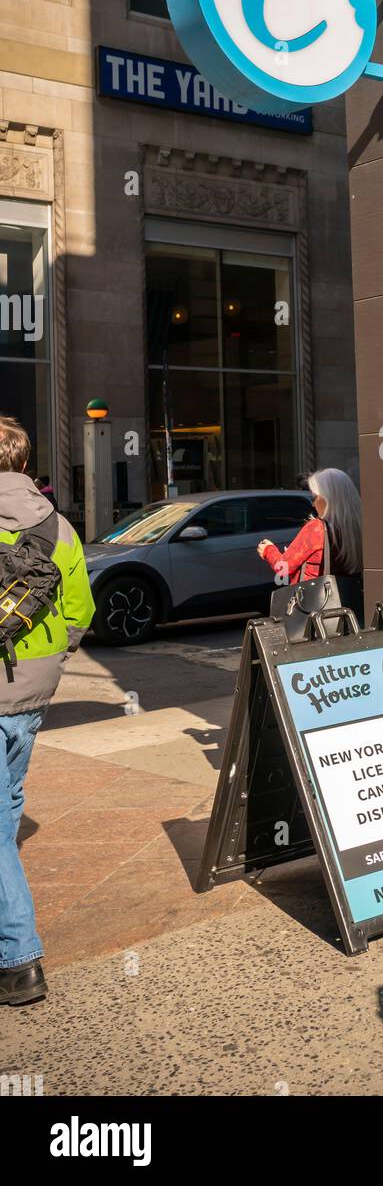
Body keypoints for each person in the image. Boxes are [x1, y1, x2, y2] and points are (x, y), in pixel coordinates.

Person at [0, 417, 95, 1006]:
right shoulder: (59, 525)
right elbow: (80, 608)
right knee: (8, 805)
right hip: (33, 692)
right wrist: (51, 656)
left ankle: (19, 956)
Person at [257, 467, 362, 584]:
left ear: (328, 498)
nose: (313, 504)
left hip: (314, 599)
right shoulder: (356, 527)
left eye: (315, 497)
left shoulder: (317, 528)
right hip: (347, 596)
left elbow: (283, 568)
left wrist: (268, 550)